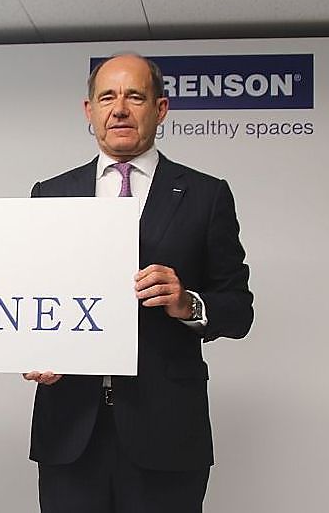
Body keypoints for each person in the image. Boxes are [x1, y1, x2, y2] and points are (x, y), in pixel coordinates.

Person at [24, 53, 253, 512]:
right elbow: (30, 300)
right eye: (107, 97)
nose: (120, 109)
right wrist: (34, 348)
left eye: (135, 97)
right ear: (89, 111)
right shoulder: (50, 194)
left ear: (161, 108)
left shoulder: (206, 195)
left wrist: (187, 302)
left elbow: (238, 308)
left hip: (166, 429)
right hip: (70, 429)